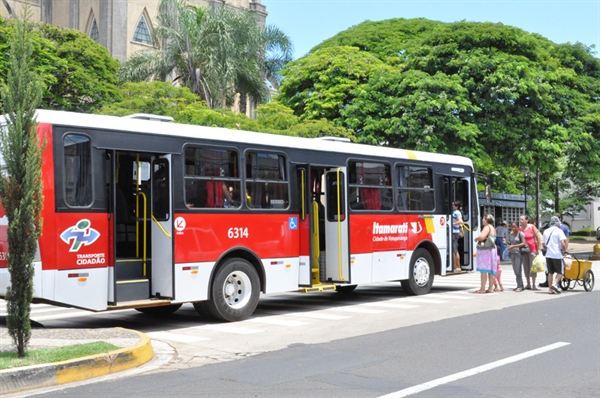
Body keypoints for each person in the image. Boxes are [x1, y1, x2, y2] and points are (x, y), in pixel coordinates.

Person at [540, 213, 570, 288]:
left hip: (548, 255)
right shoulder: (559, 231)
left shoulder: (546, 231)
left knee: (550, 272)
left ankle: (550, 289)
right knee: (560, 272)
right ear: (558, 222)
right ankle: (554, 284)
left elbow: (543, 244)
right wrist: (564, 250)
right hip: (557, 254)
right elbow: (563, 244)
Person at [474, 213, 498, 293]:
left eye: (483, 219)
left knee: (483, 270)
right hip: (492, 249)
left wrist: (476, 238)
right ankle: (490, 288)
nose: (482, 220)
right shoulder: (493, 228)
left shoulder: (487, 227)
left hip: (485, 251)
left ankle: (482, 288)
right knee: (491, 270)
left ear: (487, 220)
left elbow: (482, 237)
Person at [519, 214, 542, 290]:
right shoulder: (519, 229)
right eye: (520, 219)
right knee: (526, 266)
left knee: (533, 267)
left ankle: (534, 284)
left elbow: (538, 236)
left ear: (527, 220)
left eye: (522, 219)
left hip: (532, 249)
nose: (521, 221)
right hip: (524, 250)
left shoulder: (531, 227)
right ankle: (528, 284)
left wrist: (539, 246)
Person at [507, 222, 526, 292]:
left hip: (519, 253)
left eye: (514, 227)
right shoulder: (511, 234)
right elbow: (510, 243)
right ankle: (519, 285)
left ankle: (520, 286)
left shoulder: (521, 234)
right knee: (515, 270)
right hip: (512, 253)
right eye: (512, 227)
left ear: (518, 227)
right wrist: (507, 242)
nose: (513, 228)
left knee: (518, 270)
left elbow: (524, 243)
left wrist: (514, 246)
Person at [451, 201, 464, 273]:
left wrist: (452, 224)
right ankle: (457, 267)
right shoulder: (457, 212)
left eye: (453, 205)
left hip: (454, 232)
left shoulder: (456, 212)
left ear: (456, 206)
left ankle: (457, 267)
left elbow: (460, 221)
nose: (452, 206)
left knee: (454, 250)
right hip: (455, 232)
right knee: (455, 250)